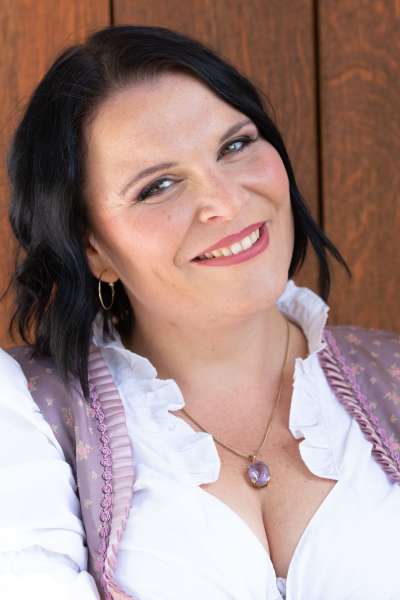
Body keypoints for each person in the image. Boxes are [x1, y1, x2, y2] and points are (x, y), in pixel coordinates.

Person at [0, 24, 399, 600]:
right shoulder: (26, 417)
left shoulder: (391, 376)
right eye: (158, 186)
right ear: (93, 248)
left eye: (234, 146)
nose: (226, 203)